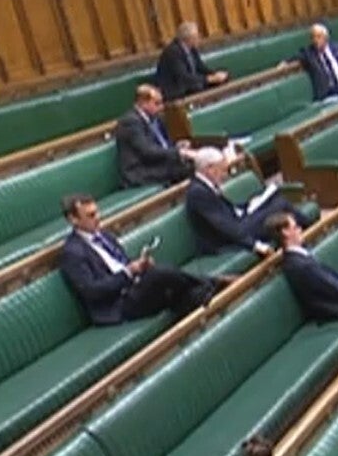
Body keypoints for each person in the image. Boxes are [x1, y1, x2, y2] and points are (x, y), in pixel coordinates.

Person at [59, 193, 216, 326]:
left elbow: (122, 263)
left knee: (179, 293)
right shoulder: (72, 252)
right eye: (91, 215)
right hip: (117, 305)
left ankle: (206, 290)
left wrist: (140, 266)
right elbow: (92, 291)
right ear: (73, 219)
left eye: (97, 212)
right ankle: (212, 283)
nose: (98, 218)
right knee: (160, 274)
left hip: (133, 288)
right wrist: (128, 273)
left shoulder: (105, 236)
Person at [183, 150, 306, 256]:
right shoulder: (197, 192)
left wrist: (248, 206)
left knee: (275, 198)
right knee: (280, 205)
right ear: (210, 169)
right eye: (222, 170)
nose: (225, 175)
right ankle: (307, 228)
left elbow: (227, 211)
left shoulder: (204, 185)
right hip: (226, 241)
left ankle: (304, 230)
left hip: (238, 223)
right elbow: (223, 226)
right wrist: (254, 245)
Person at [114, 84, 194, 188]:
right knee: (186, 169)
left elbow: (163, 143)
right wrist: (178, 152)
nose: (162, 107)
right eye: (157, 103)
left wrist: (177, 146)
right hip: (140, 171)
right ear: (143, 103)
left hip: (156, 164)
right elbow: (147, 151)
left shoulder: (157, 118)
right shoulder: (130, 122)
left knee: (192, 164)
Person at [283, 23, 338, 100]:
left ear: (326, 37)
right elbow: (294, 58)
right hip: (331, 89)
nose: (316, 40)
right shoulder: (309, 53)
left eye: (319, 36)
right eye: (313, 37)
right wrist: (284, 63)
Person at [153, 21, 228, 100]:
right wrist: (209, 79)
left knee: (223, 78)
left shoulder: (192, 49)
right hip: (176, 92)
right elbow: (184, 77)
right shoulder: (173, 52)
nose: (199, 39)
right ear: (189, 38)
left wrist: (216, 74)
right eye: (197, 36)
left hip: (190, 86)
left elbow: (201, 67)